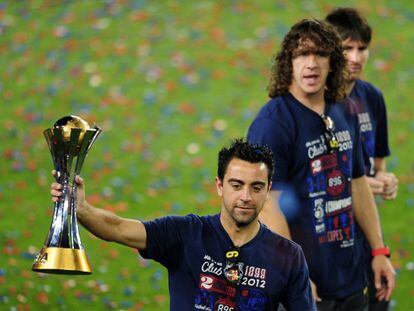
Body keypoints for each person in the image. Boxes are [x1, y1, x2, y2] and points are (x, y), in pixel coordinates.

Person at [50, 138, 316, 311]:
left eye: (256, 187)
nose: (246, 197)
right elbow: (117, 228)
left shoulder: (289, 256)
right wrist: (80, 208)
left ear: (268, 189)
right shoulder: (185, 234)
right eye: (237, 185)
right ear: (219, 186)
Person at [247, 19, 395, 311]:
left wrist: (379, 250)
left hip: (351, 278)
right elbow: (268, 204)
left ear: (333, 62)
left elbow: (357, 183)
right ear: (289, 62)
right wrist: (295, 271)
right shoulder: (273, 123)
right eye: (302, 54)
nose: (311, 63)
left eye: (320, 54)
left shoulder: (343, 110)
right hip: (304, 284)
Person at [326, 8, 399, 311]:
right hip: (326, 237)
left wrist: (384, 180)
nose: (355, 57)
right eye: (347, 48)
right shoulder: (317, 100)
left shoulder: (372, 97)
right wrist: (356, 184)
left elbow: (377, 166)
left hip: (365, 233)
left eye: (362, 48)